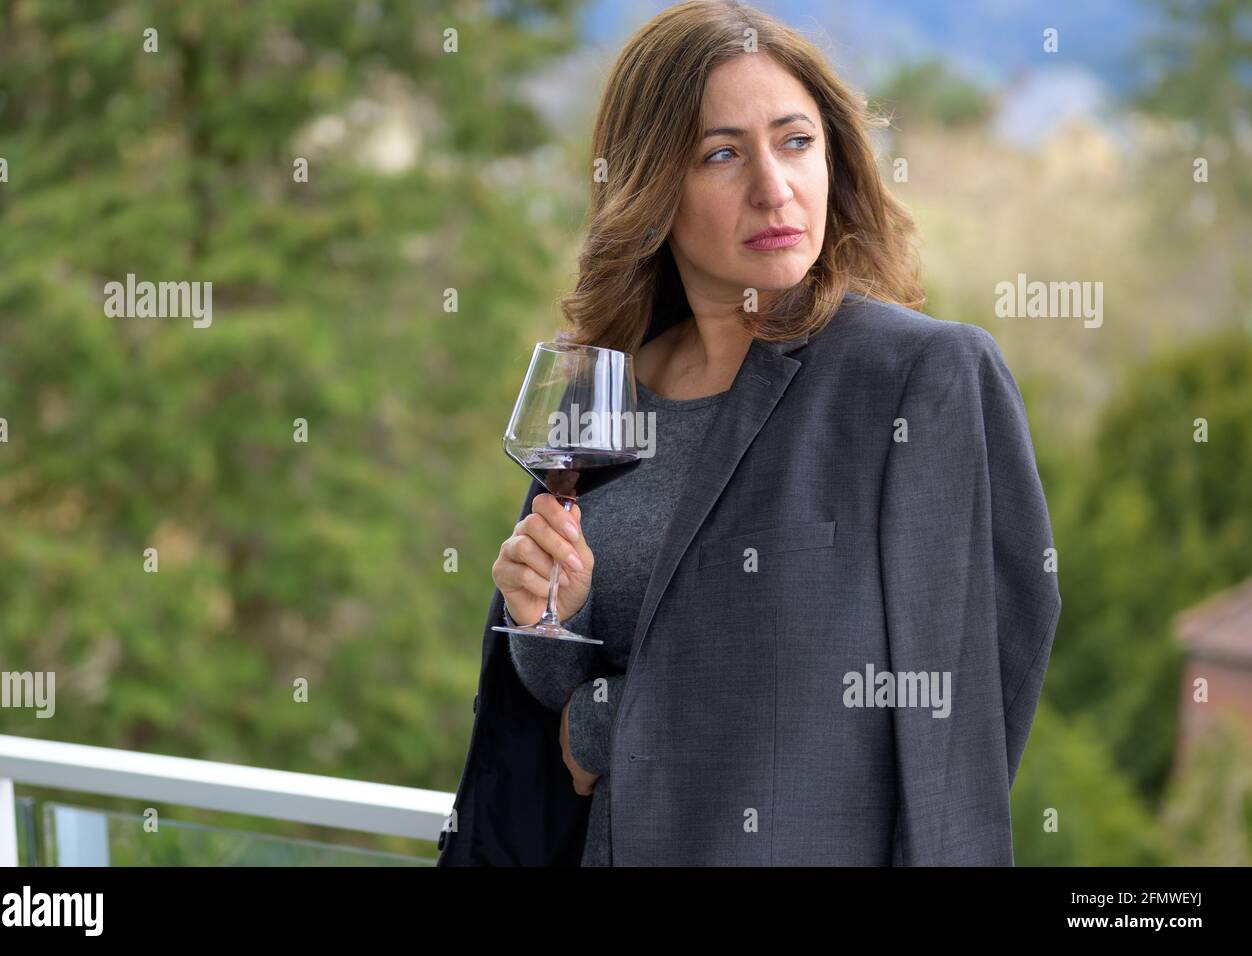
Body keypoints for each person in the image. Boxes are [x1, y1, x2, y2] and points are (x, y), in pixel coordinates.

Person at [437, 0, 1061, 867]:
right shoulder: (604, 387)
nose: (774, 187)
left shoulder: (920, 378)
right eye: (722, 154)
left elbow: (953, 713)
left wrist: (607, 722)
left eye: (796, 141)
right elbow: (562, 702)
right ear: (652, 183)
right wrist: (546, 625)